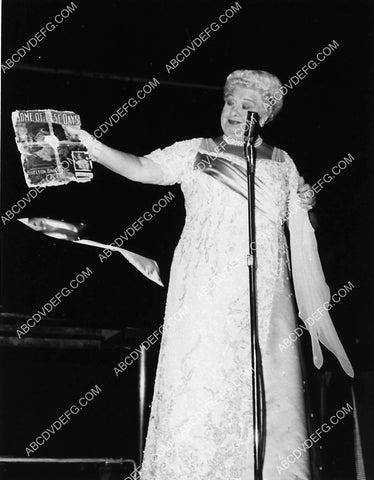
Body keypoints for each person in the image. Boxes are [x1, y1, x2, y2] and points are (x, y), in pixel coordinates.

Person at [67, 69, 353, 480]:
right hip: (202, 286)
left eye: (247, 106)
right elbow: (144, 168)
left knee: (264, 388)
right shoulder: (197, 150)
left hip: (264, 291)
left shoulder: (281, 162)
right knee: (200, 378)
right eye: (230, 102)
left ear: (267, 115)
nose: (235, 112)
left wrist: (308, 204)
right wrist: (94, 148)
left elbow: (301, 226)